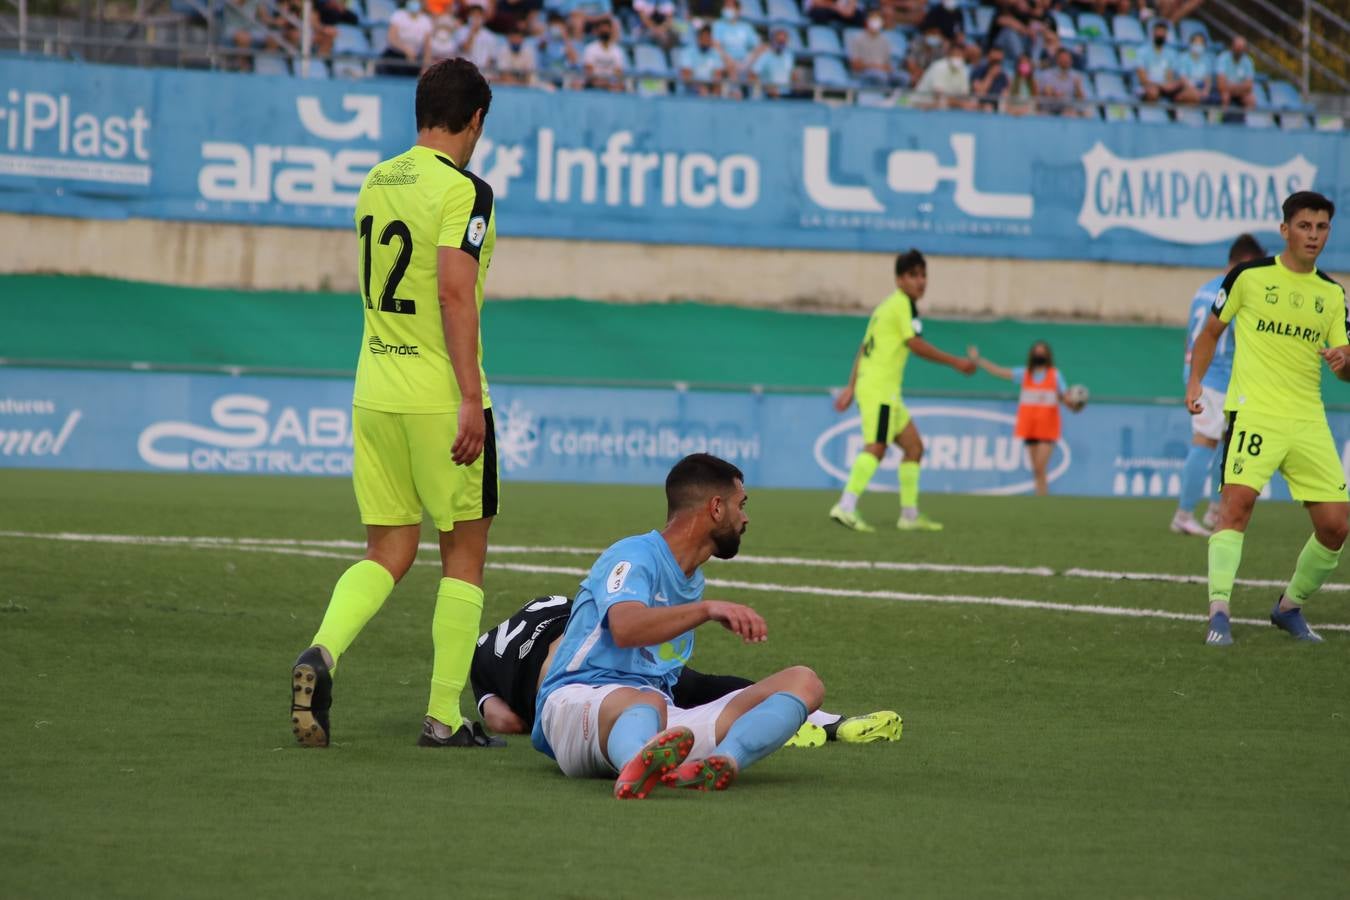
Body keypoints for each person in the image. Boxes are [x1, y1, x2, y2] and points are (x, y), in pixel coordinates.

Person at [289, 59, 501, 749]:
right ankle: (443, 716)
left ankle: (322, 651)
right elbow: (452, 290)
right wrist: (470, 398)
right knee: (462, 556)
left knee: (388, 549)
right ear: (473, 121)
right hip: (440, 399)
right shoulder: (465, 190)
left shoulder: (375, 181)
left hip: (374, 391)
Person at [532, 454, 827, 798]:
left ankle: (721, 763)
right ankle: (635, 764)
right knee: (646, 701)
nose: (745, 517)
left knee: (804, 682)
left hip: (655, 717)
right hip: (574, 707)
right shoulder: (633, 555)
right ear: (716, 508)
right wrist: (706, 610)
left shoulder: (691, 580)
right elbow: (626, 628)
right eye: (740, 505)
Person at [1187, 191, 1350, 647]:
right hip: (1254, 413)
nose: (1313, 235)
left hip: (1307, 419)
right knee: (1236, 508)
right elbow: (1211, 332)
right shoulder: (1248, 276)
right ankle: (1219, 611)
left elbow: (1347, 366)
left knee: (1337, 526)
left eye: (1321, 228)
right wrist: (1195, 383)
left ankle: (1288, 607)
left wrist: (1345, 362)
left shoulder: (1333, 295)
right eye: (1304, 226)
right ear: (1285, 230)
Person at [471, 594, 903, 747]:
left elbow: (503, 720)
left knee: (655, 714)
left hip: (575, 680)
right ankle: (827, 721)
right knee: (699, 685)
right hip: (603, 644)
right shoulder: (546, 603)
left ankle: (780, 729)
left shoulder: (480, 659)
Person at [829, 249, 977, 533]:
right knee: (877, 447)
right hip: (879, 389)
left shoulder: (890, 306)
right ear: (899, 280)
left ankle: (909, 515)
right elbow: (915, 344)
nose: (920, 281)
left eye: (923, 275)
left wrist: (850, 387)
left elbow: (864, 347)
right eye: (913, 275)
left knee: (914, 447)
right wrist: (956, 362)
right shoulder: (901, 305)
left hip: (883, 391)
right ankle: (845, 506)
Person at [1171, 234, 1266, 537]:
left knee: (1226, 445)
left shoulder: (1203, 289)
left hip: (1205, 374)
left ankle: (1215, 511)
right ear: (1247, 262)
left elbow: (1192, 335)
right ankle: (1184, 514)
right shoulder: (1235, 291)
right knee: (1206, 440)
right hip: (1215, 376)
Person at [966, 341, 1084, 495]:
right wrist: (978, 360)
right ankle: (1040, 498)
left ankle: (1043, 499)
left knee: (1041, 466)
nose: (1039, 355)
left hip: (1048, 428)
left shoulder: (1055, 375)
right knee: (1036, 468)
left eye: (1042, 352)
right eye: (1037, 351)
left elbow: (1065, 397)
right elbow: (999, 371)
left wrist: (1074, 404)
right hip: (1030, 427)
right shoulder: (1025, 374)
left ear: (1047, 356)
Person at [1135, 19, 1189, 104]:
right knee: (1153, 92)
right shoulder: (1142, 51)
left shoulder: (1171, 53)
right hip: (1148, 86)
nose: (1161, 34)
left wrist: (1170, 85)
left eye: (1163, 32)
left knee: (1190, 94)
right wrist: (1160, 85)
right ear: (1153, 33)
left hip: (1164, 87)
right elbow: (1143, 79)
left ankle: (1177, 115)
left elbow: (1169, 77)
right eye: (1158, 31)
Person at [914, 39, 975, 110]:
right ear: (949, 55)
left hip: (944, 107)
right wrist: (960, 104)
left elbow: (965, 95)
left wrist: (967, 103)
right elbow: (939, 96)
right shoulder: (939, 67)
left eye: (960, 55)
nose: (957, 58)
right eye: (955, 54)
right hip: (921, 105)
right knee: (942, 103)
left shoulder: (964, 70)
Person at [378, 0, 433, 75]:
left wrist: (425, 67)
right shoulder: (399, 15)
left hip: (415, 59)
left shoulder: (426, 21)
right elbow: (391, 38)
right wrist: (407, 50)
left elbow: (427, 48)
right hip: (395, 55)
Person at [711, 0, 760, 79]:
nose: (726, 9)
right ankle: (735, 90)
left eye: (729, 7)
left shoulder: (746, 26)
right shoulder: (718, 25)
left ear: (738, 10)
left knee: (761, 58)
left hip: (744, 63)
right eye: (725, 6)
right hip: (725, 61)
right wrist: (728, 60)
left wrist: (747, 61)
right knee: (727, 67)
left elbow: (758, 46)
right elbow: (716, 45)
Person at [678, 26, 731, 96]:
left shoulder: (715, 53)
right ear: (698, 38)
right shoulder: (687, 52)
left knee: (720, 89)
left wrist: (712, 91)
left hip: (709, 89)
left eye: (708, 38)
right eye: (704, 38)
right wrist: (700, 88)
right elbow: (687, 75)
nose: (706, 40)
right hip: (691, 91)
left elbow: (718, 75)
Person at [848, 13, 898, 87]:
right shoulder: (857, 39)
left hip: (882, 71)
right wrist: (875, 66)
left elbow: (888, 65)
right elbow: (855, 65)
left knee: (902, 77)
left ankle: (900, 97)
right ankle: (882, 96)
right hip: (865, 72)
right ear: (867, 23)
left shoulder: (885, 41)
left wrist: (882, 68)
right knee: (881, 76)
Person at [1036, 46, 1086, 116]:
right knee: (1042, 114)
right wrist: (1051, 93)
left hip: (1068, 109)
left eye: (1067, 58)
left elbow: (1082, 100)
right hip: (1048, 109)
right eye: (1063, 58)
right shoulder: (1046, 75)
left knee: (1075, 114)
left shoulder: (1076, 76)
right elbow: (1038, 96)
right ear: (1057, 60)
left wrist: (1078, 88)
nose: (1066, 60)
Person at [749, 27, 797, 98]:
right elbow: (752, 76)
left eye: (783, 42)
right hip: (768, 97)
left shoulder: (789, 55)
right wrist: (768, 89)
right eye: (779, 41)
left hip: (786, 96)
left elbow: (793, 76)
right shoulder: (765, 56)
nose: (781, 44)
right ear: (772, 41)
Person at [581, 17, 627, 91]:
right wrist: (601, 83)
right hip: (594, 83)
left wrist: (610, 83)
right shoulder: (590, 48)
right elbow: (589, 70)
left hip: (612, 84)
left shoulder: (617, 50)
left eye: (606, 31)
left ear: (611, 31)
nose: (604, 33)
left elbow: (618, 71)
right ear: (598, 32)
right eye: (602, 31)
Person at [1215, 35, 1256, 110]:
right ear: (1232, 46)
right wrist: (1239, 87)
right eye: (1237, 46)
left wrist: (1234, 88)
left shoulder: (1248, 61)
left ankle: (1246, 121)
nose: (1239, 49)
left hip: (1239, 92)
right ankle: (1220, 120)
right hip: (1226, 91)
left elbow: (1249, 86)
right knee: (1225, 97)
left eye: (1241, 47)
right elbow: (1221, 85)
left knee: (1251, 99)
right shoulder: (1223, 58)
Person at [1175, 33, 1215, 105]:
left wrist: (1206, 91)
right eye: (1196, 42)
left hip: (1201, 86)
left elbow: (1208, 78)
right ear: (1191, 44)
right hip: (1187, 87)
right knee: (1188, 96)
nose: (1198, 45)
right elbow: (1183, 78)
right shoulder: (1183, 58)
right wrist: (1194, 91)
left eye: (1201, 43)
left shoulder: (1207, 59)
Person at [969, 45, 1010, 110]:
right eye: (994, 61)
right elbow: (979, 93)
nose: (996, 64)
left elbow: (1005, 96)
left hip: (996, 108)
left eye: (998, 61)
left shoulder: (1003, 76)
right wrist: (990, 76)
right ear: (988, 57)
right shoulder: (978, 71)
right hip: (979, 107)